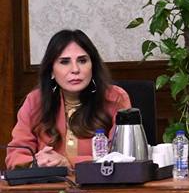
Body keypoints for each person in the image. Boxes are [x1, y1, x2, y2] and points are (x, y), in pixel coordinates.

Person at [7, 30, 133, 168]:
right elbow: (15, 155)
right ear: (51, 70)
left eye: (82, 61)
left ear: (93, 65)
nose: (75, 69)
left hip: (100, 181)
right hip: (48, 181)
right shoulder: (35, 101)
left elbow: (122, 156)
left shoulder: (114, 98)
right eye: (64, 62)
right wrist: (37, 164)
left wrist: (69, 163)